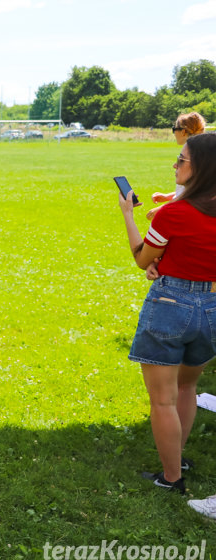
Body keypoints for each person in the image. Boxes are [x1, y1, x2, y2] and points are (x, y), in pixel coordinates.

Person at [119, 132, 216, 495]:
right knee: (188, 385)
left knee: (162, 398)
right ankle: (180, 457)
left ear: (202, 167)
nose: (174, 166)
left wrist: (128, 214)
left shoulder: (174, 212)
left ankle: (171, 477)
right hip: (212, 306)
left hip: (171, 305)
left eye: (181, 160)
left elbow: (142, 256)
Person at [147, 112, 206, 220]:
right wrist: (168, 196)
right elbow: (193, 188)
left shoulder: (192, 155)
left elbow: (192, 194)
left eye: (174, 129)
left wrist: (163, 208)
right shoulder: (201, 151)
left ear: (183, 131)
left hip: (187, 214)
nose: (174, 133)